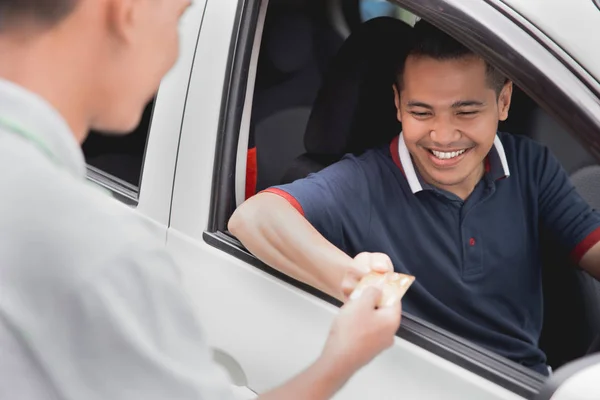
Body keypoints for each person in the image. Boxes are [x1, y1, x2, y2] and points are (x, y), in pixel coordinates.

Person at [0, 1, 402, 399]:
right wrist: (343, 356)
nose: (177, 54)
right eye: (178, 19)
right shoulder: (98, 251)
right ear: (127, 11)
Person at [229, 20, 600, 376]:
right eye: (421, 112)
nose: (442, 136)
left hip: (524, 382)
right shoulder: (364, 181)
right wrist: (353, 280)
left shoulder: (529, 166)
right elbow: (254, 216)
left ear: (503, 102)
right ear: (398, 104)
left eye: (466, 111)